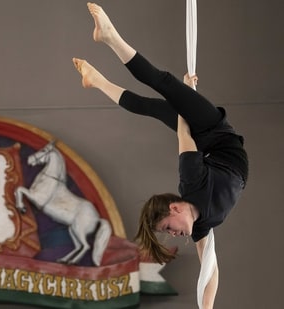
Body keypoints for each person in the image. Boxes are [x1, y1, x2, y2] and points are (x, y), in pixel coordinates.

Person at [72, 3, 248, 308]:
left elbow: (185, 134)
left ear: (175, 206)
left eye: (168, 227)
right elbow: (211, 271)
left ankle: (110, 36)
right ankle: (96, 80)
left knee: (162, 82)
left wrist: (186, 94)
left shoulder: (190, 181)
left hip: (210, 131)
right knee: (146, 105)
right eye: (170, 233)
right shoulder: (203, 225)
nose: (175, 234)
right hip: (213, 145)